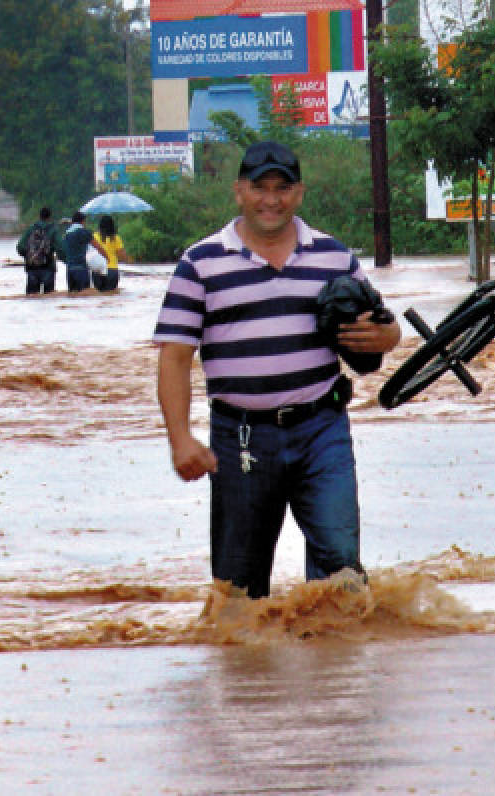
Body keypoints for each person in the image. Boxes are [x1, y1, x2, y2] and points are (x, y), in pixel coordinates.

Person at [153, 140, 401, 599]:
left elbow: (380, 326)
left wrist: (390, 337)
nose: (272, 199)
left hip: (322, 431)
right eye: (260, 188)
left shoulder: (333, 257)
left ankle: (336, 671)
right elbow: (174, 357)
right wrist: (181, 439)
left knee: (341, 575)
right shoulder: (200, 263)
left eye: (282, 188)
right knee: (238, 596)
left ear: (299, 193)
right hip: (241, 437)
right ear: (239, 192)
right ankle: (249, 674)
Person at [16, 206, 66, 294]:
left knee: (32, 297)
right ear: (49, 217)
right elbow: (60, 248)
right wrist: (66, 260)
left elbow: (20, 247)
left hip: (32, 268)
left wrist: (29, 256)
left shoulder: (31, 229)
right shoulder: (53, 230)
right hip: (48, 267)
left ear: (39, 216)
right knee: (49, 296)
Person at [62, 211, 102, 292]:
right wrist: (106, 258)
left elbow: (62, 251)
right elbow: (98, 247)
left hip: (69, 270)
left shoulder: (67, 234)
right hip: (81, 269)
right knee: (85, 296)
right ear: (83, 221)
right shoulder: (83, 232)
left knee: (72, 296)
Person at [94, 215, 128, 292]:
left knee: (99, 296)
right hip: (112, 270)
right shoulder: (116, 238)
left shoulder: (94, 237)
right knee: (111, 295)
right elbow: (122, 255)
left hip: (98, 270)